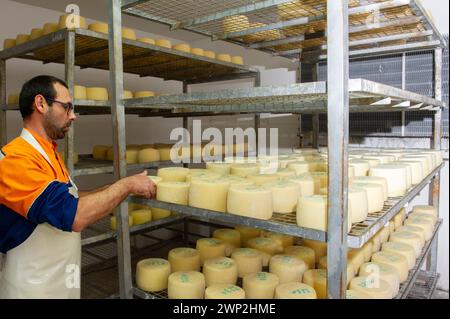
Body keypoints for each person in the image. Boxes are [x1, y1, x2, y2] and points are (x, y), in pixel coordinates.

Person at [0, 75, 156, 298]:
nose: (73, 116)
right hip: (32, 287)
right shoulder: (16, 160)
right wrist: (126, 185)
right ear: (41, 104)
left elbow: (70, 199)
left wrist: (121, 187)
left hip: (60, 280)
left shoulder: (47, 153)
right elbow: (74, 216)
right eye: (67, 107)